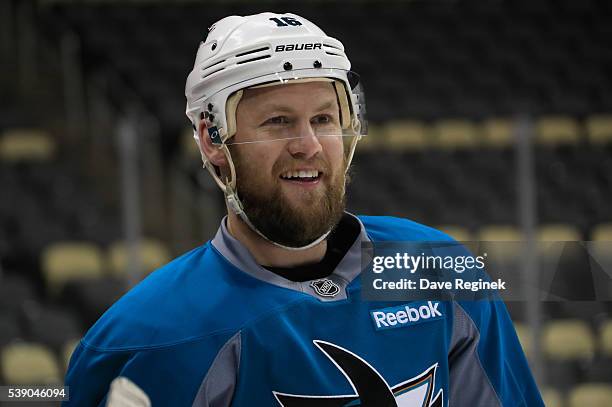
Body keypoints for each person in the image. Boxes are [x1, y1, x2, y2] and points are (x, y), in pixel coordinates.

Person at [64, 12, 544, 406]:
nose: (308, 145)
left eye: (323, 119)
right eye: (277, 122)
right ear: (213, 140)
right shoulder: (150, 336)